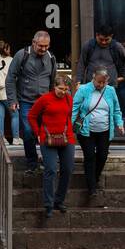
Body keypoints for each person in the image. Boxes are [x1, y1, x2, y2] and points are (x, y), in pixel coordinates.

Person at [71, 67, 124, 206]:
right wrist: (70, 125)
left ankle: (93, 178)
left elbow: (117, 109)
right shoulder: (83, 90)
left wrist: (120, 124)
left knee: (102, 156)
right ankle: (92, 188)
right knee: (89, 156)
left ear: (107, 81)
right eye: (98, 82)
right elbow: (74, 107)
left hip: (105, 130)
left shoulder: (111, 91)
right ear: (93, 78)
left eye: (103, 82)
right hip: (86, 130)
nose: (100, 85)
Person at [6, 30, 57, 175]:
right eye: (41, 46)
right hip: (26, 101)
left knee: (47, 132)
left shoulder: (51, 57)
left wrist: (55, 100)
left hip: (46, 102)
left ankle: (48, 161)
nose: (44, 49)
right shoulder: (22, 55)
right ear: (34, 43)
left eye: (46, 46)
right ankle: (32, 162)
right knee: (29, 132)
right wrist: (12, 100)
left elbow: (53, 81)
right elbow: (10, 78)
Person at [29, 76, 75, 219]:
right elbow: (31, 116)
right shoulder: (45, 99)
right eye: (61, 89)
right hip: (47, 138)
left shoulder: (69, 99)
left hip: (66, 137)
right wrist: (38, 133)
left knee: (67, 169)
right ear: (54, 87)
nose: (63, 92)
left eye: (66, 89)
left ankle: (59, 200)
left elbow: (68, 116)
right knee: (50, 169)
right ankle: (48, 204)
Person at [77, 23, 125, 87]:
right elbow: (81, 64)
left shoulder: (116, 46)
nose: (103, 42)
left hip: (110, 84)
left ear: (111, 36)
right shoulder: (88, 45)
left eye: (106, 40)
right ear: (96, 35)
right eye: (101, 39)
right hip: (91, 84)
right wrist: (79, 81)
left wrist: (124, 76)